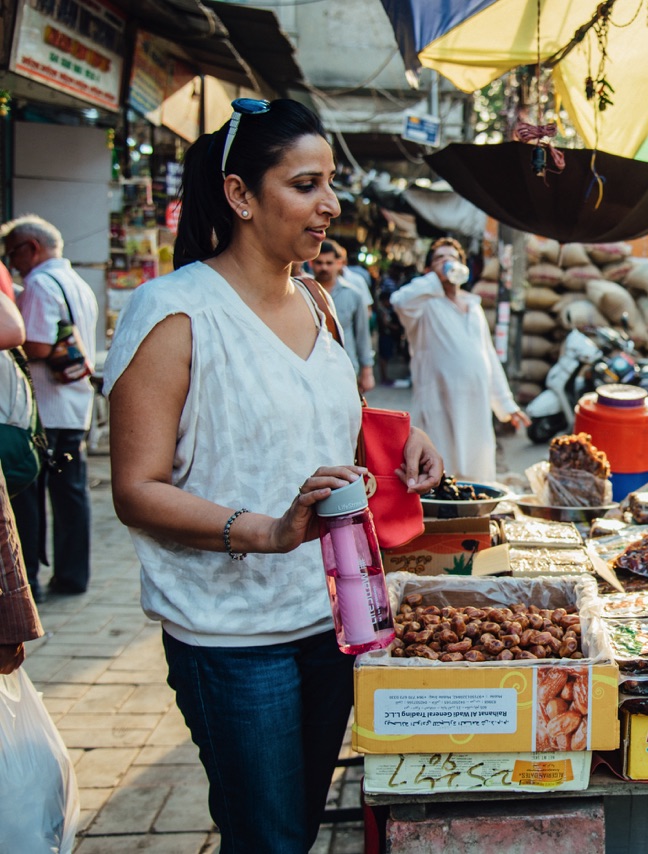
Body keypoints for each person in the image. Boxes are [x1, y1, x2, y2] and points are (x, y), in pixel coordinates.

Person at [103, 98, 443, 853]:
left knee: (294, 825)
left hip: (332, 622)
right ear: (239, 195)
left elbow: (331, 415)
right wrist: (267, 530)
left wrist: (403, 437)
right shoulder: (175, 312)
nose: (330, 205)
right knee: (270, 839)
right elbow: (136, 488)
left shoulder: (318, 301)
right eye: (305, 184)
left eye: (329, 185)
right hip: (232, 637)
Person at [0, 215, 98, 598]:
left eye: (13, 255)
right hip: (74, 405)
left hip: (47, 408)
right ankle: (73, 577)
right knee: (72, 496)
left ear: (32, 248)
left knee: (31, 498)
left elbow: (36, 343)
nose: (13, 265)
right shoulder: (77, 282)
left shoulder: (40, 284)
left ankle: (33, 582)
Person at [392, 237, 530, 482]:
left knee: (478, 467)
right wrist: (436, 278)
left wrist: (507, 405)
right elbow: (399, 301)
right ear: (428, 270)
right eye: (439, 258)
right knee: (442, 466)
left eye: (453, 258)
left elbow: (487, 356)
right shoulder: (423, 306)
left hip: (476, 403)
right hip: (439, 400)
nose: (447, 262)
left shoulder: (473, 306)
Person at [312, 241, 375, 391]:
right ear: (311, 263)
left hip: (346, 367)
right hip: (313, 368)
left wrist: (367, 371)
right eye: (319, 263)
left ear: (339, 263)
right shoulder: (301, 292)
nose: (324, 267)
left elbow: (362, 334)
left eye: (329, 263)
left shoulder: (354, 294)